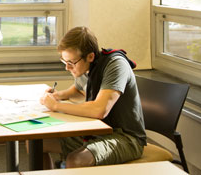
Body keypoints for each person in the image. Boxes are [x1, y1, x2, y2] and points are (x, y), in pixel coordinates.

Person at [38, 26, 146, 168]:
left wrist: (56, 106)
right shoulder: (87, 66)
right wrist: (58, 96)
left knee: (75, 160)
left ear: (90, 56)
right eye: (65, 62)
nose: (67, 68)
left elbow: (99, 110)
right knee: (37, 143)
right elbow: (78, 88)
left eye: (71, 62)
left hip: (125, 137)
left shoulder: (116, 65)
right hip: (97, 130)